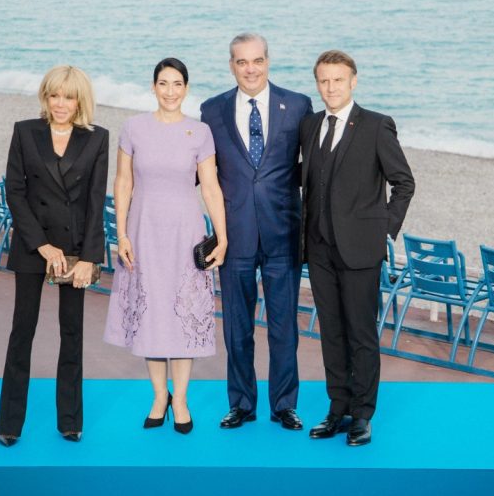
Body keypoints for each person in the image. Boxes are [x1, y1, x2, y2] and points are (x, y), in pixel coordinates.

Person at [103, 58, 227, 434]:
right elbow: (122, 183)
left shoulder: (201, 132)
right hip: (142, 233)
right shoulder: (133, 128)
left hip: (185, 234)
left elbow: (210, 187)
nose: (170, 91)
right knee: (152, 314)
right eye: (163, 83)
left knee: (183, 316)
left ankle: (182, 399)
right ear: (153, 87)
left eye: (177, 84)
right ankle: (160, 396)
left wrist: (222, 238)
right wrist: (120, 233)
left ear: (186, 89)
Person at [300, 50, 414, 447]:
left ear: (353, 81)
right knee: (331, 331)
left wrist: (384, 229)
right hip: (317, 248)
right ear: (317, 83)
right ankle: (338, 408)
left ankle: (363, 414)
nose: (330, 87)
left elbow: (404, 183)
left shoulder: (377, 126)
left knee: (361, 333)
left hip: (360, 249)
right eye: (324, 81)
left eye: (338, 80)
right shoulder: (310, 125)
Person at [200, 33, 313, 430]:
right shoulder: (211, 110)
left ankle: (284, 405)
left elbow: (314, 169)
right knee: (237, 327)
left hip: (283, 233)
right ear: (231, 65)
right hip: (235, 236)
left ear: (268, 61)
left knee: (284, 327)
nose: (251, 68)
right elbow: (203, 173)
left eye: (257, 60)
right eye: (242, 61)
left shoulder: (298, 105)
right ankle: (241, 404)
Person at [0, 65, 109, 446]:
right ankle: (10, 424)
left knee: (72, 333)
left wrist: (91, 257)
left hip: (76, 248)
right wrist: (42, 246)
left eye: (68, 96)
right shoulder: (25, 131)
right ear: (46, 97)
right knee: (21, 332)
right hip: (34, 246)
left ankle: (70, 421)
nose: (60, 104)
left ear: (80, 100)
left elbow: (96, 202)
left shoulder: (97, 139)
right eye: (54, 95)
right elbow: (14, 191)